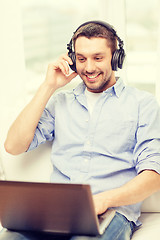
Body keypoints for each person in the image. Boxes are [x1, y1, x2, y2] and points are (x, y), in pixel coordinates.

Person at [2, 20, 160, 240]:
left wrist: (104, 200)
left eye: (98, 58)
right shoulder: (60, 102)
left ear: (116, 58)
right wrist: (49, 85)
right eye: (81, 58)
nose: (89, 68)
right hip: (55, 213)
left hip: (111, 212)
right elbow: (13, 145)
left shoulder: (143, 103)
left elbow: (153, 176)